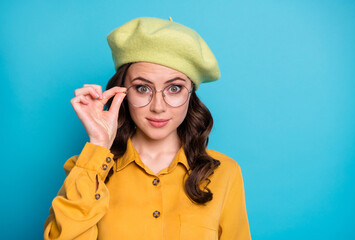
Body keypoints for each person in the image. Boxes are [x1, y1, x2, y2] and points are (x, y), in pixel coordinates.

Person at [43, 16, 251, 240]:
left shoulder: (225, 173)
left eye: (174, 88)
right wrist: (99, 145)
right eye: (142, 88)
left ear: (191, 95)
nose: (158, 107)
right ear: (122, 93)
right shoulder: (87, 171)